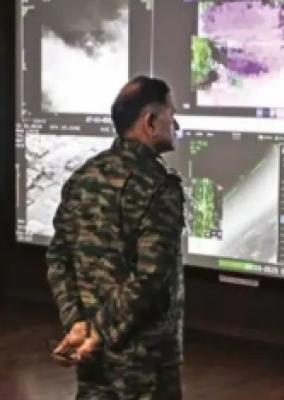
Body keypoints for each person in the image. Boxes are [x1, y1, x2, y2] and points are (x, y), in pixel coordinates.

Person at [46, 76, 185, 399]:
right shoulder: (159, 187)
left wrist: (77, 323)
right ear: (150, 122)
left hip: (92, 357)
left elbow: (58, 257)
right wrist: (100, 331)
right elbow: (150, 276)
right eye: (171, 114)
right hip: (144, 364)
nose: (176, 124)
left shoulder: (83, 177)